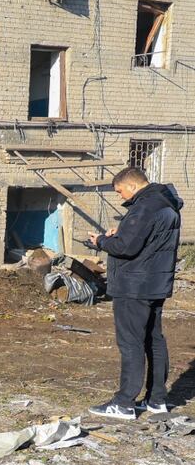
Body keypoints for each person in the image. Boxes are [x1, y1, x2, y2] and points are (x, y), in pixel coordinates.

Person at [88, 167, 184, 419]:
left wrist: (101, 241)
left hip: (134, 286)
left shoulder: (144, 207)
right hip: (156, 284)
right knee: (154, 340)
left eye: (120, 191)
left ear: (131, 186)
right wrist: (119, 234)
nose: (121, 197)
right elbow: (145, 242)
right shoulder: (166, 204)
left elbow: (126, 247)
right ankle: (156, 400)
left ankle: (124, 402)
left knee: (131, 342)